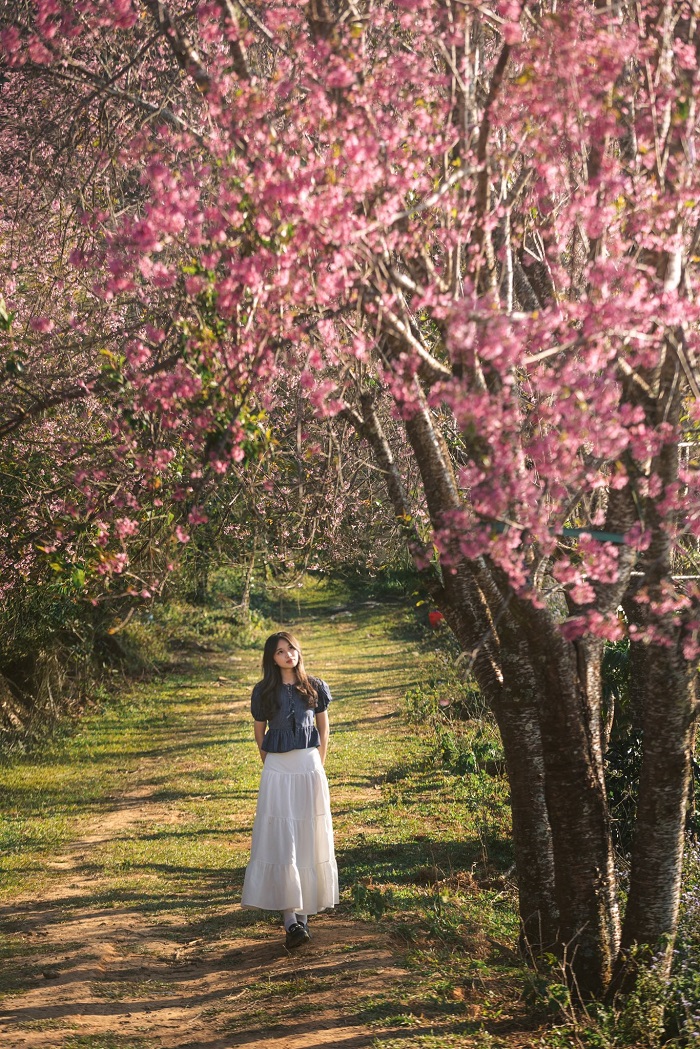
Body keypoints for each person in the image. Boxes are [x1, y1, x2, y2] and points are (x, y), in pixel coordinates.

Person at [241, 631, 339, 948]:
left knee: (309, 838)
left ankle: (304, 919)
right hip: (278, 770)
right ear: (272, 658)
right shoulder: (264, 691)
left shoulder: (315, 686)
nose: (288, 655)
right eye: (281, 651)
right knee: (283, 840)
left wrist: (317, 764)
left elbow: (323, 727)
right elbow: (260, 735)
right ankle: (289, 921)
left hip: (309, 767)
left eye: (292, 649)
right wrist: (273, 766)